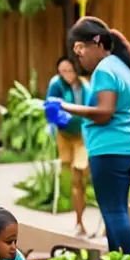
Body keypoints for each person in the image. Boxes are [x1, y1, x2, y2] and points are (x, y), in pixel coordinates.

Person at [59, 17, 130, 254]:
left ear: (96, 43)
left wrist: (67, 107)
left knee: (114, 212)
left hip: (112, 149)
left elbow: (105, 112)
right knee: (115, 211)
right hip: (128, 145)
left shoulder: (104, 70)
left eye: (80, 50)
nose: (79, 58)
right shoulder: (120, 65)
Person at [46, 56, 90, 236]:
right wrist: (58, 119)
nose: (66, 75)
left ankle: (84, 218)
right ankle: (79, 222)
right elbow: (50, 108)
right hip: (65, 135)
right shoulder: (56, 84)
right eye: (62, 71)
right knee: (74, 177)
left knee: (81, 172)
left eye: (69, 70)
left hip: (82, 135)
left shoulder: (85, 86)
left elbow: (90, 108)